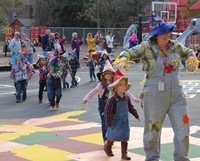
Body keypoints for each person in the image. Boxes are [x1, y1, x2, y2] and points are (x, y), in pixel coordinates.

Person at [113, 11, 198, 161]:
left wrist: (191, 59)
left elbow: (188, 52)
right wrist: (124, 59)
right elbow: (128, 52)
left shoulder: (175, 46)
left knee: (183, 128)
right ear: (155, 36)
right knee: (152, 131)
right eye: (162, 33)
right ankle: (152, 158)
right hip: (153, 96)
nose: (166, 36)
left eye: (168, 32)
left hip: (177, 95)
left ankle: (182, 158)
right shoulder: (146, 47)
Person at [82, 60, 139, 144]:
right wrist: (86, 98)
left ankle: (112, 137)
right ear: (103, 75)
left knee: (114, 122)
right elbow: (93, 91)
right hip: (104, 105)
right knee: (105, 122)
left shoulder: (116, 83)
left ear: (112, 74)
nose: (108, 75)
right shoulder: (101, 84)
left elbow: (125, 91)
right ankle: (106, 139)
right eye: (106, 74)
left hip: (114, 105)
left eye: (109, 73)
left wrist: (133, 98)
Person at [104, 69, 140, 160]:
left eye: (125, 85)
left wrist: (136, 115)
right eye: (121, 85)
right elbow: (107, 112)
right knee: (112, 136)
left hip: (124, 122)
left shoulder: (127, 98)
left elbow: (130, 108)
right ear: (116, 87)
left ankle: (124, 154)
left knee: (124, 138)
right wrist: (108, 123)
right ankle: (107, 147)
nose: (124, 87)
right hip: (115, 122)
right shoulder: (112, 100)